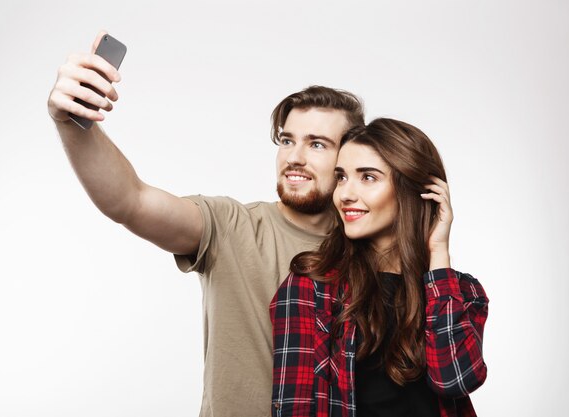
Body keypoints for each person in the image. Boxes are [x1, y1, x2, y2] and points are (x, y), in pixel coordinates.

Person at [47, 32, 365, 417]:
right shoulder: (232, 226)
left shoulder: (372, 248)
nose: (294, 157)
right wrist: (70, 123)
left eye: (317, 144)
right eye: (286, 140)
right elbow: (129, 200)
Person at [270, 118, 489, 417]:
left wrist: (438, 252)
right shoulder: (311, 287)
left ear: (414, 190)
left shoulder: (461, 292)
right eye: (342, 177)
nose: (345, 194)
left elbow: (455, 380)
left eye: (368, 177)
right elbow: (296, 408)